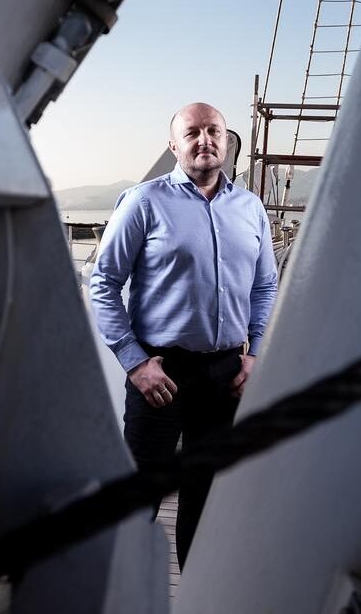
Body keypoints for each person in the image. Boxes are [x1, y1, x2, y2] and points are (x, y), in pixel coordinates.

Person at [88, 102, 278, 568]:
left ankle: (193, 599)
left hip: (227, 373)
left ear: (226, 141)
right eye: (192, 132)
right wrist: (134, 362)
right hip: (160, 372)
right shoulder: (143, 202)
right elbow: (103, 283)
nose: (204, 140)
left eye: (213, 131)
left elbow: (265, 286)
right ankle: (120, 599)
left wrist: (256, 351)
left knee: (207, 499)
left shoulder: (250, 208)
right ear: (174, 145)